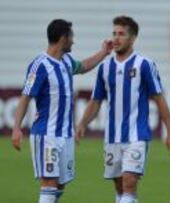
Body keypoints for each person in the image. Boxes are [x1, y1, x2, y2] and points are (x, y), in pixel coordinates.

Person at [75, 16, 170, 203]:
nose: (116, 38)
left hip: (136, 136)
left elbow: (159, 99)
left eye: (121, 34)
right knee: (120, 187)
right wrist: (82, 124)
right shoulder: (105, 67)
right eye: (114, 33)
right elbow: (96, 101)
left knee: (130, 183)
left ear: (133, 38)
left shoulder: (144, 64)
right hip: (112, 137)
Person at [11, 19, 112, 203]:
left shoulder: (65, 61)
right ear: (63, 38)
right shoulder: (40, 65)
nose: (73, 41)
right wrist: (16, 127)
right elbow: (25, 97)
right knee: (49, 183)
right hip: (46, 135)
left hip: (66, 136)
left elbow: (83, 66)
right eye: (71, 36)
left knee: (59, 185)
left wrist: (104, 52)